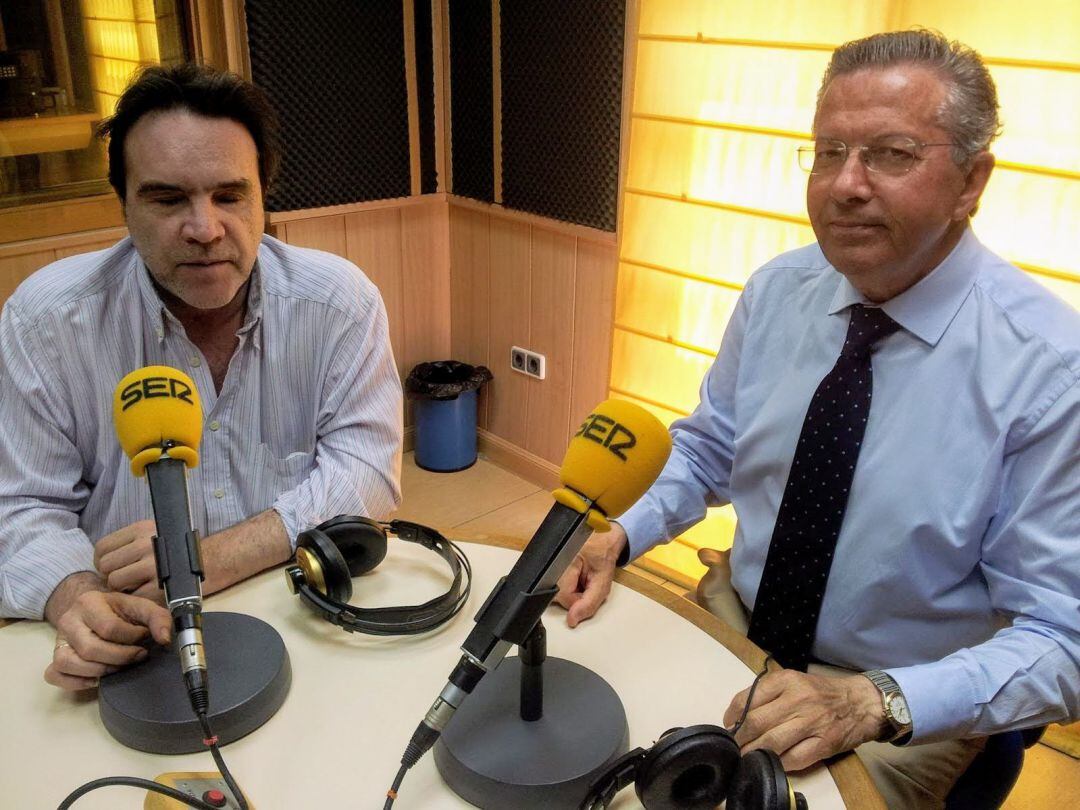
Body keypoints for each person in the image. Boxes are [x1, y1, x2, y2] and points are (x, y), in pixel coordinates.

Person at [556, 29, 1079, 808]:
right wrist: (621, 532)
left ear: (973, 181)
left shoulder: (1050, 369)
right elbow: (707, 452)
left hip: (887, 695)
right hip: (737, 620)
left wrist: (869, 702)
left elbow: (1061, 641)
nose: (845, 184)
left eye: (892, 153)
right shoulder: (776, 293)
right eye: (828, 152)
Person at [0, 65, 403, 691]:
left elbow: (368, 475)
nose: (206, 229)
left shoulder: (338, 303)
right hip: (130, 639)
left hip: (294, 613)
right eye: (167, 199)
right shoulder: (46, 321)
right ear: (124, 204)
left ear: (263, 195)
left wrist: (207, 560)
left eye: (229, 195)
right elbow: (21, 506)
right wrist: (75, 595)